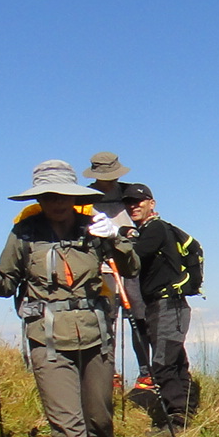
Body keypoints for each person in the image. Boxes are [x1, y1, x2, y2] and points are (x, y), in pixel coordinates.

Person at [0, 160, 136, 437]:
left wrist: (115, 238)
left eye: (62, 195)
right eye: (47, 196)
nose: (55, 202)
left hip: (96, 335)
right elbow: (8, 280)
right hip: (46, 340)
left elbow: (130, 266)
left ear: (72, 196)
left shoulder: (94, 227)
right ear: (39, 198)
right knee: (67, 426)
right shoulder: (24, 234)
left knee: (99, 416)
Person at [126, 183, 203, 427]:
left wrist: (115, 244)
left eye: (139, 201)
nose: (133, 206)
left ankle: (176, 417)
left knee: (163, 362)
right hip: (169, 305)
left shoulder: (155, 228)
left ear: (152, 203)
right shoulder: (152, 230)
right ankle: (185, 410)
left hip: (167, 304)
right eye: (129, 202)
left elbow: (134, 259)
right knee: (175, 358)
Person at [84, 151, 148, 372]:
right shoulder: (85, 197)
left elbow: (145, 221)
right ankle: (108, 372)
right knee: (106, 319)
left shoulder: (130, 193)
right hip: (102, 267)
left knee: (140, 317)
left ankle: (146, 372)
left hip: (131, 264)